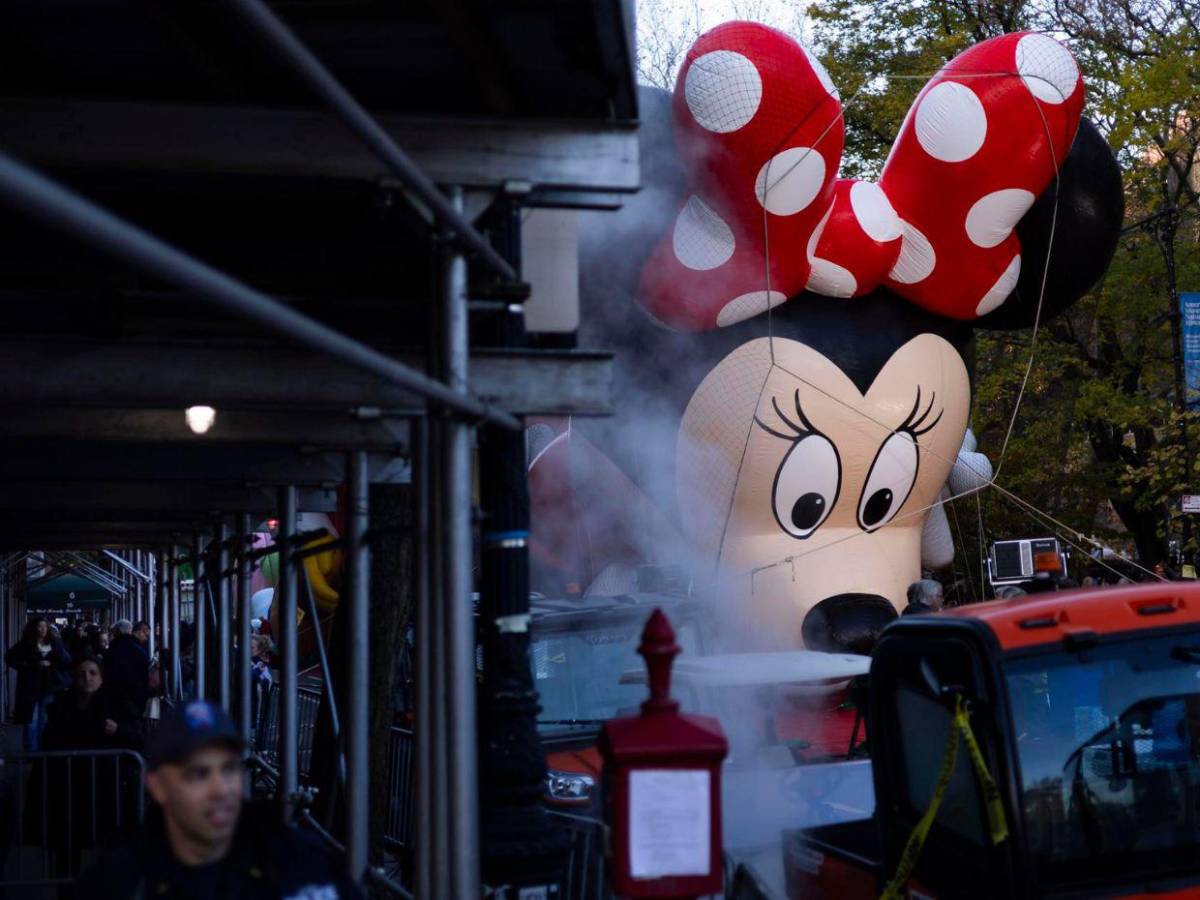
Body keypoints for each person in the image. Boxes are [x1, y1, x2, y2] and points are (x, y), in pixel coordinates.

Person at [75, 700, 364, 899]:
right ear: (157, 786)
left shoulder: (301, 861)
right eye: (199, 774)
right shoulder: (119, 882)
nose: (221, 789)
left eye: (230, 769)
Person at [6, 618, 72, 751]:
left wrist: (52, 664)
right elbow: (10, 658)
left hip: (49, 685)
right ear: (33, 628)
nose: (43, 629)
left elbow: (66, 660)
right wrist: (28, 665)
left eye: (45, 627)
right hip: (30, 687)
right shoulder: (25, 644)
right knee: (31, 721)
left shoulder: (54, 643)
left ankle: (42, 751)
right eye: (40, 627)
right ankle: (31, 751)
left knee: (44, 720)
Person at [103, 619, 150, 720]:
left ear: (118, 631)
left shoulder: (113, 648)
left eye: (113, 632)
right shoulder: (139, 650)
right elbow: (144, 679)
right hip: (135, 701)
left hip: (114, 700)